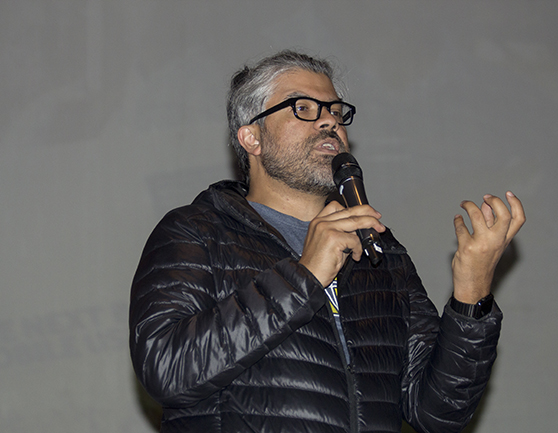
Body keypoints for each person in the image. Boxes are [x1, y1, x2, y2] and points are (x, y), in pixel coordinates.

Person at [129, 50, 525, 433]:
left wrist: (472, 292)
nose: (329, 122)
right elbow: (165, 370)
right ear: (252, 138)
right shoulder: (197, 231)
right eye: (303, 107)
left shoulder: (382, 253)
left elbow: (438, 414)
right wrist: (303, 277)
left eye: (336, 111)